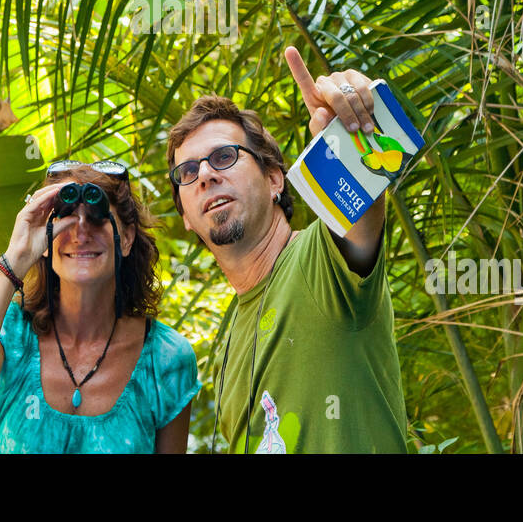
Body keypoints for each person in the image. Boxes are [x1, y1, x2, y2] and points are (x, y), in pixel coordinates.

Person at [165, 47, 412, 453]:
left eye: (224, 156)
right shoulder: (225, 351)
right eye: (187, 172)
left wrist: (351, 129)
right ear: (187, 217)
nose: (205, 174)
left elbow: (361, 199)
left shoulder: (323, 262)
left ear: (275, 179)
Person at [0, 160, 199, 453]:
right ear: (46, 242)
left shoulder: (165, 359)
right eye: (66, 218)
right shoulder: (11, 331)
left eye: (98, 218)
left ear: (125, 238)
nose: (81, 231)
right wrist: (15, 259)